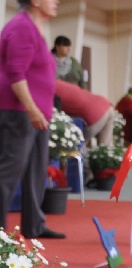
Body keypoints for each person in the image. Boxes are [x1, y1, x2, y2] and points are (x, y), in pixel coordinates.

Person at [0, 0, 66, 239]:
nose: (56, 2)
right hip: (19, 112)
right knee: (9, 171)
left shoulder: (34, 28)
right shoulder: (22, 27)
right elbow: (16, 73)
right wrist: (32, 109)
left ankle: (34, 225)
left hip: (36, 114)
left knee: (36, 172)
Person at [55, 79, 114, 146]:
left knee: (74, 149)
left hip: (92, 114)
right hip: (106, 105)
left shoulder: (48, 89)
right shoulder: (58, 83)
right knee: (105, 149)